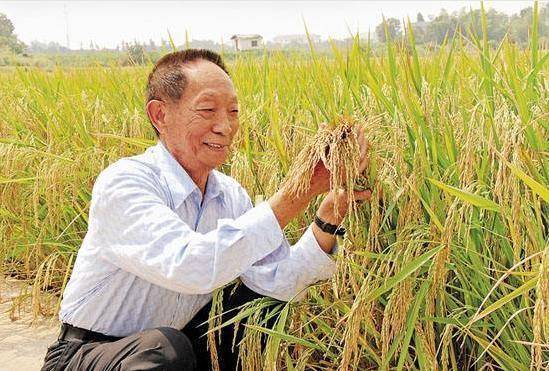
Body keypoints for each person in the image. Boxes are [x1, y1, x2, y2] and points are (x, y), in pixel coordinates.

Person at [41, 48, 371, 371]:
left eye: (233, 112)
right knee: (165, 348)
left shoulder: (229, 196)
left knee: (252, 309)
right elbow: (190, 265)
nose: (224, 127)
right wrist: (299, 192)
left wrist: (329, 217)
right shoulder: (126, 183)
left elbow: (279, 281)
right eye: (208, 110)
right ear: (160, 115)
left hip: (168, 349)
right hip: (88, 354)